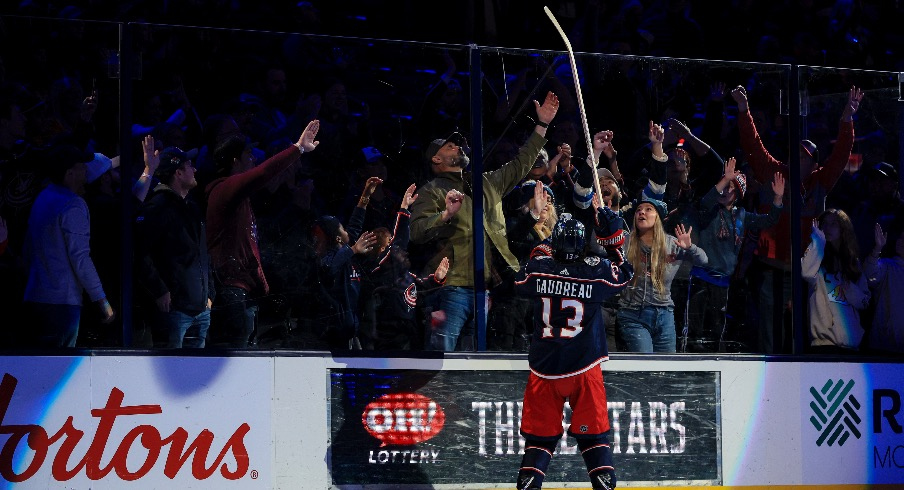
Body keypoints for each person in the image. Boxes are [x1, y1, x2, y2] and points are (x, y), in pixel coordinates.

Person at [409, 90, 560, 352]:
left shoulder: (487, 181)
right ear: (436, 159)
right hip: (453, 287)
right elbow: (417, 232)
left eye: (457, 143)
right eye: (449, 146)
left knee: (478, 361)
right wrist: (445, 215)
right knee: (442, 357)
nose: (457, 146)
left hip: (490, 289)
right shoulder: (431, 191)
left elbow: (521, 163)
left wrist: (542, 125)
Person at [730, 84, 862, 354]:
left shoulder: (819, 181)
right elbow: (752, 145)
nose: (798, 158)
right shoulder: (773, 172)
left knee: (801, 330)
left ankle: (799, 379)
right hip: (770, 269)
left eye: (805, 157)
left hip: (806, 274)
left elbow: (840, 157)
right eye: (796, 154)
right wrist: (744, 110)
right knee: (770, 330)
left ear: (814, 164)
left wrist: (847, 119)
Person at [513, 210, 633, 490]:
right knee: (594, 438)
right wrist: (614, 240)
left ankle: (529, 485)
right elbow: (625, 274)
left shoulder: (538, 267)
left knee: (539, 441)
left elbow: (520, 278)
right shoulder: (595, 271)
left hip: (545, 370)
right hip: (584, 367)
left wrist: (542, 247)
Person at [206, 119, 321, 348]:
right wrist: (297, 149)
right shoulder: (224, 189)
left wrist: (260, 281)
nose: (254, 158)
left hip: (242, 292)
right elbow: (263, 173)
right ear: (235, 161)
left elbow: (248, 245)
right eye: (249, 154)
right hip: (231, 292)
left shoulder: (239, 198)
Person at [685, 157, 784, 352]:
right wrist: (724, 179)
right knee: (694, 332)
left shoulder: (742, 215)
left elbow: (770, 220)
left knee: (716, 332)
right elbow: (705, 200)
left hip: (723, 282)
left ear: (738, 193)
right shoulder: (710, 210)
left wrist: (778, 199)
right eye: (723, 185)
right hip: (701, 278)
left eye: (730, 187)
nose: (724, 190)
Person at [22, 143, 114, 347]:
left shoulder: (43, 198)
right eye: (82, 166)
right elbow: (80, 258)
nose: (87, 170)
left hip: (35, 298)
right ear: (70, 173)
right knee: (57, 367)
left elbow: (27, 250)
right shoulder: (73, 204)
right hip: (61, 305)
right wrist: (101, 300)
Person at [134, 143, 214, 348]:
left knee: (197, 374)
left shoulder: (192, 208)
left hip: (200, 308)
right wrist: (159, 290)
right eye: (189, 166)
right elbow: (140, 252)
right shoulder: (158, 207)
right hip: (175, 311)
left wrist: (209, 293)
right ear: (178, 173)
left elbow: (202, 254)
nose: (194, 170)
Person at [363, 183, 449, 351]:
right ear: (382, 251)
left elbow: (422, 289)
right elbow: (399, 244)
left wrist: (436, 279)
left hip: (409, 337)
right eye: (390, 243)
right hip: (387, 340)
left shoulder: (406, 275)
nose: (401, 251)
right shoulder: (381, 270)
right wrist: (404, 209)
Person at [802, 209, 870, 354]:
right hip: (823, 344)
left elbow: (865, 301)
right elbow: (806, 273)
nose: (827, 228)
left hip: (851, 345)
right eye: (824, 224)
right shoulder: (817, 257)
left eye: (833, 224)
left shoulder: (853, 263)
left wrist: (850, 289)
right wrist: (817, 242)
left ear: (843, 229)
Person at [862, 223, 904, 355]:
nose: (900, 241)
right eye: (901, 237)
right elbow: (869, 276)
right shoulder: (888, 265)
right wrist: (877, 249)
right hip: (884, 348)